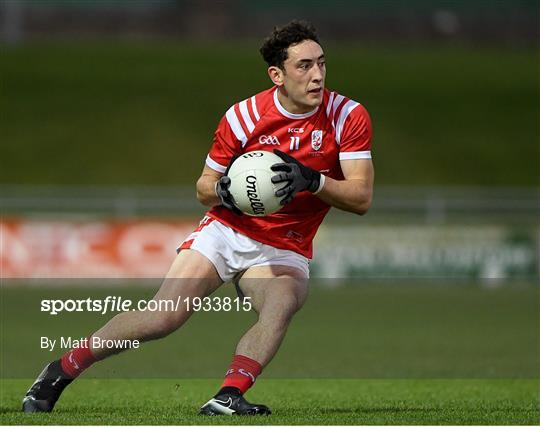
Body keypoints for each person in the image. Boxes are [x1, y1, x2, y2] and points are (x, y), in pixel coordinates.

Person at [22, 20, 374, 416]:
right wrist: (224, 189)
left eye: (322, 64)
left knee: (282, 304)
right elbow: (203, 187)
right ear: (276, 75)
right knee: (164, 316)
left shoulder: (347, 115)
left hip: (285, 243)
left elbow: (361, 197)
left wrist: (312, 180)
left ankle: (228, 396)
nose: (317, 76)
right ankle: (59, 370)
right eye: (304, 66)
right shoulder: (243, 116)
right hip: (227, 230)